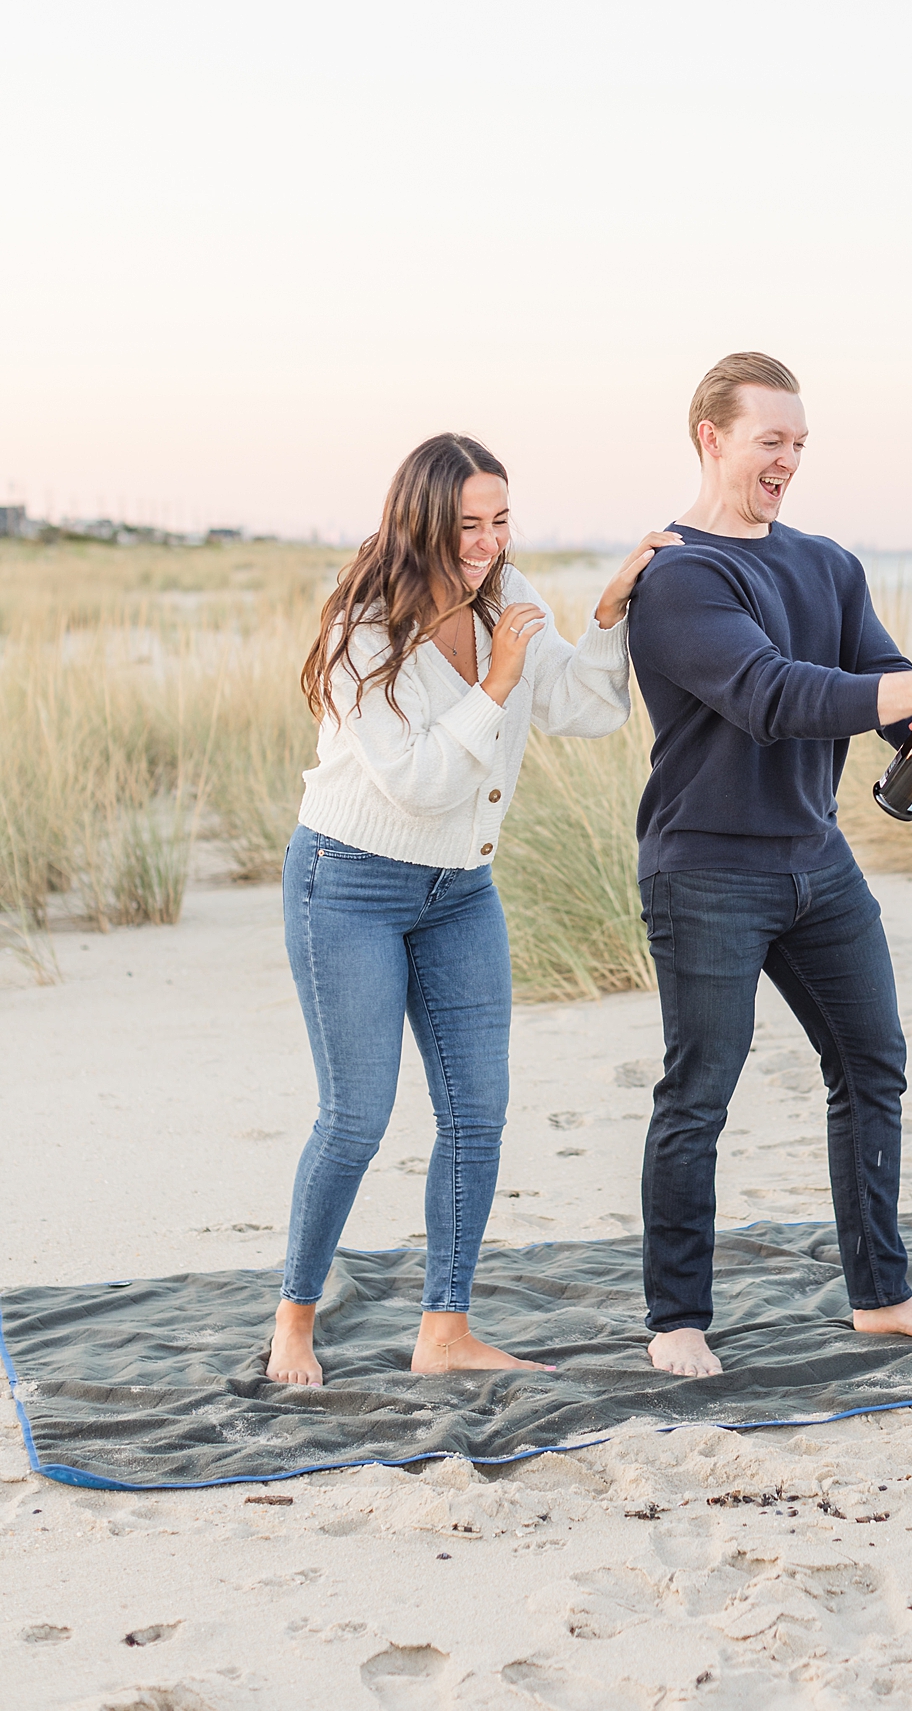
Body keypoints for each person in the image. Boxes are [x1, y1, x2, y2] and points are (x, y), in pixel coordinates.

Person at [267, 431, 677, 1388]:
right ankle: (294, 1320)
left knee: (478, 1113)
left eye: (500, 522)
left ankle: (443, 1329)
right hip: (349, 884)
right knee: (357, 1115)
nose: (488, 544)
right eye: (466, 528)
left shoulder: (514, 595)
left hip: (460, 892)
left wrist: (609, 617)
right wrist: (494, 683)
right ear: (418, 524)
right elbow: (414, 782)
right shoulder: (364, 627)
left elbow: (589, 708)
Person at [626, 353, 912, 1377]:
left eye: (799, 444)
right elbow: (773, 693)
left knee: (872, 1064)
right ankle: (676, 1321)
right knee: (700, 1091)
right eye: (770, 442)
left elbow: (872, 676)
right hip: (704, 869)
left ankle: (881, 1296)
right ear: (713, 438)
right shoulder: (680, 577)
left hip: (816, 863)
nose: (788, 461)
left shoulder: (828, 562)